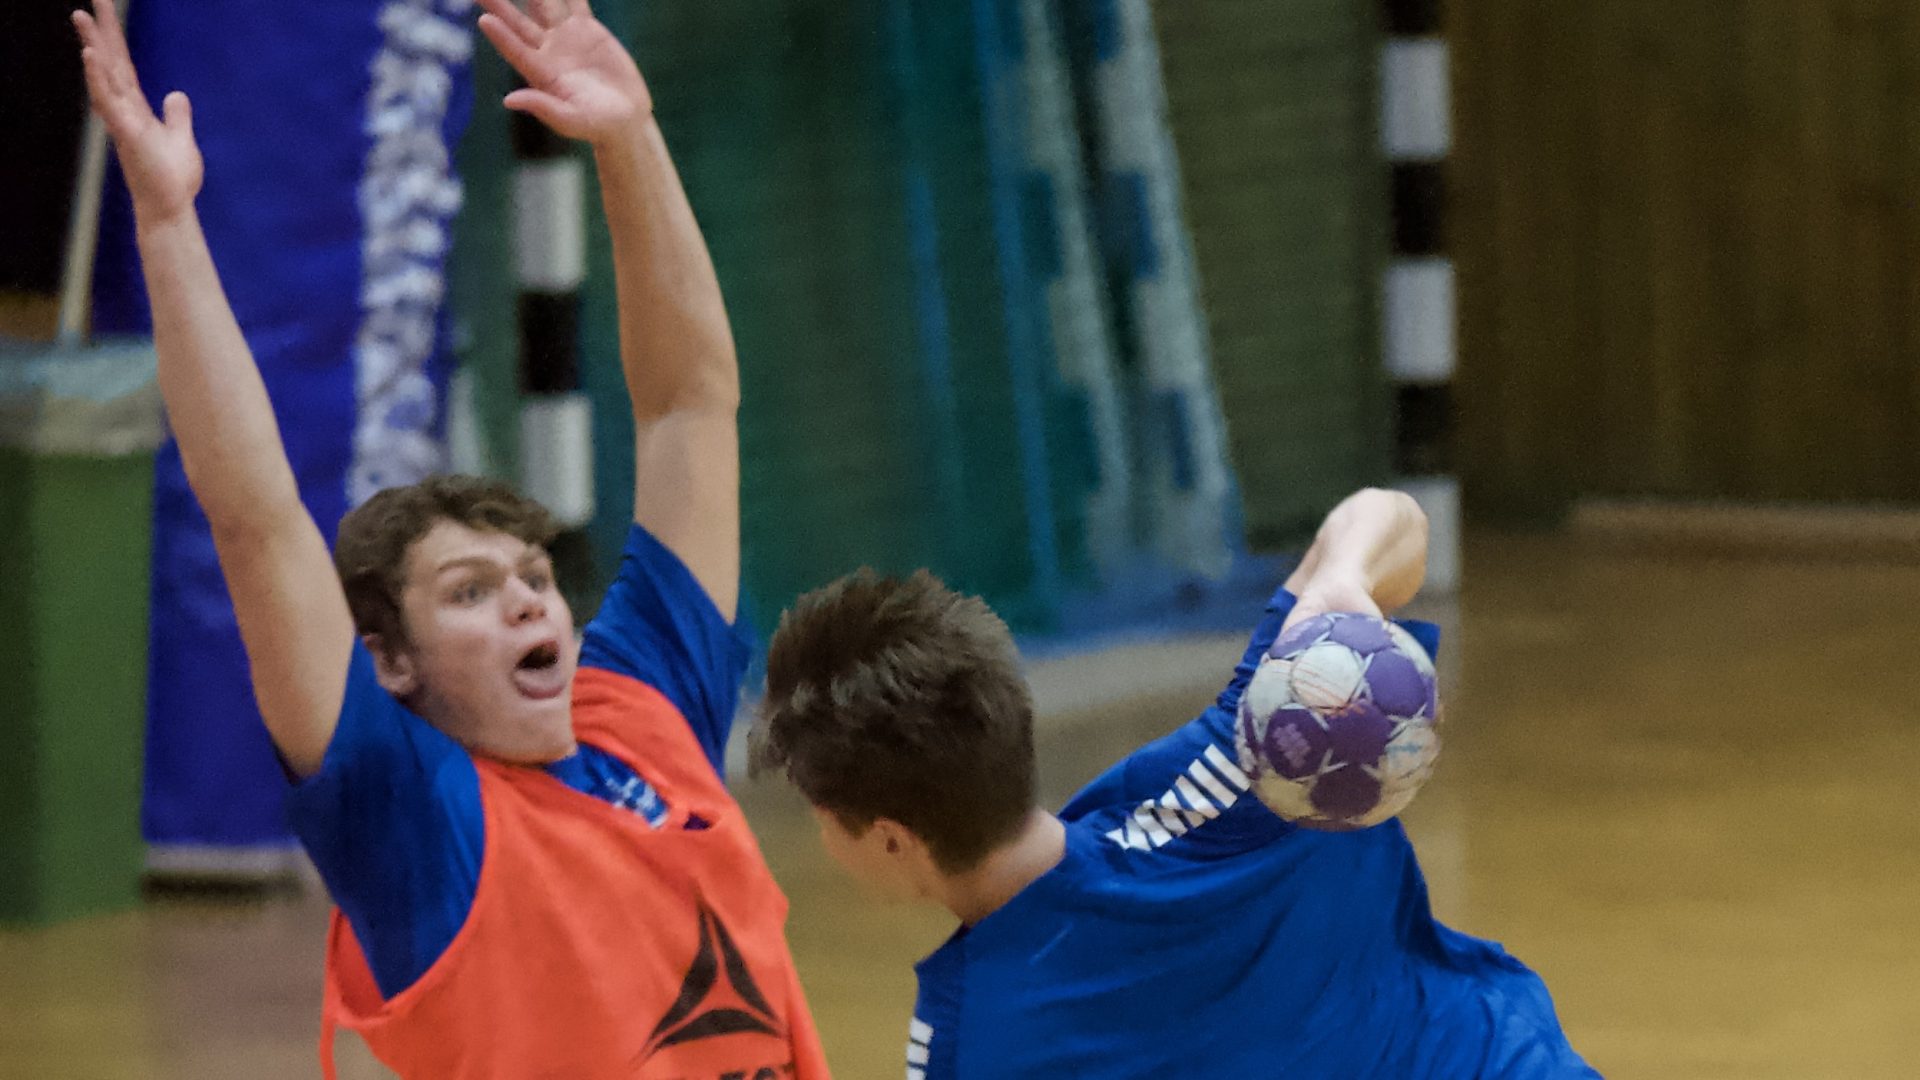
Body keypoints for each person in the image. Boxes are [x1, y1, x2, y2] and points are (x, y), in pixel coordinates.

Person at [72, 1, 829, 1076]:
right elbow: (255, 521)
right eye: (470, 592)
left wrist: (630, 138)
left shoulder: (643, 714)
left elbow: (688, 407)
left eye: (532, 577)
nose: (526, 599)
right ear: (390, 663)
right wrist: (167, 228)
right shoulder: (418, 826)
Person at [753, 488, 1599, 1078]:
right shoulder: (1243, 763)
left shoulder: (966, 1044)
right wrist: (1340, 583)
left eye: (823, 818)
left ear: (891, 838)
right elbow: (1389, 516)